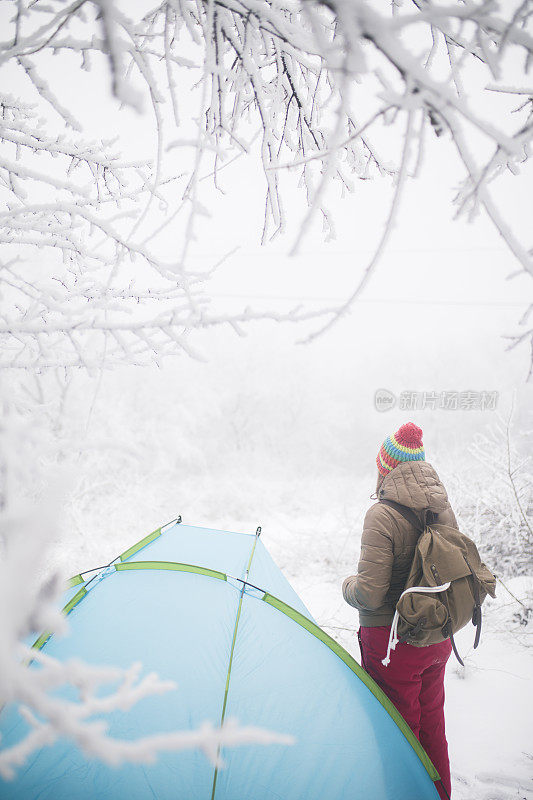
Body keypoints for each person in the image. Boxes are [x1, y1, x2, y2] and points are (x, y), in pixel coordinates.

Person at [342, 422, 455, 800]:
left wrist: (347, 587)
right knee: (431, 729)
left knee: (398, 734)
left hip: (394, 645)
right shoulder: (440, 506)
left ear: (385, 467)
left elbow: (371, 595)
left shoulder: (381, 515)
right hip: (437, 638)